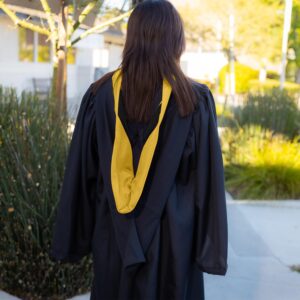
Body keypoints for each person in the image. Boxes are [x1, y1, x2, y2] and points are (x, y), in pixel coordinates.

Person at [49, 1, 228, 299]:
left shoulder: (100, 95)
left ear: (131, 37)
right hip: (175, 245)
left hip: (114, 239)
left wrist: (72, 239)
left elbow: (83, 175)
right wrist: (209, 249)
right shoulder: (193, 100)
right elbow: (207, 182)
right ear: (176, 39)